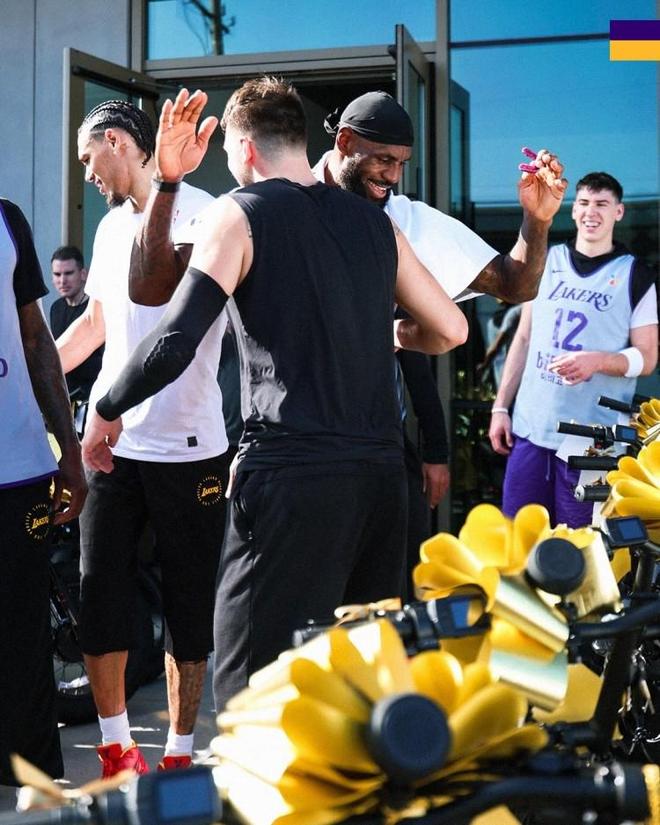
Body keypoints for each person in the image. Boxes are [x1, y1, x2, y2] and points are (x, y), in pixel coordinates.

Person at [78, 78, 468, 713]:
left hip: (291, 476)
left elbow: (174, 340)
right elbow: (451, 329)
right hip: (378, 484)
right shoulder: (376, 224)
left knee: (250, 695)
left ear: (245, 148)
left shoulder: (239, 212)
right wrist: (389, 332)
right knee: (360, 691)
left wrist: (105, 408)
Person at [55, 99, 230, 777]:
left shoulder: (209, 216)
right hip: (111, 448)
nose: (87, 173)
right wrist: (29, 377)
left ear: (116, 141)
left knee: (188, 607)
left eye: (88, 158)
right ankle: (116, 749)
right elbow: (94, 326)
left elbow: (178, 334)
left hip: (190, 447)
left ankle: (180, 754)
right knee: (99, 595)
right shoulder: (108, 230)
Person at [489, 172, 658, 527]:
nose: (591, 212)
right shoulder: (545, 260)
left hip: (593, 441)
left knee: (582, 546)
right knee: (520, 537)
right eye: (584, 203)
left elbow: (647, 358)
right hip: (532, 428)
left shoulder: (636, 275)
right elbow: (523, 338)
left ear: (618, 212)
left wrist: (598, 361)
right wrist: (501, 407)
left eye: (601, 204)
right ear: (574, 209)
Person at [314, 91, 567, 305]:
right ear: (345, 141)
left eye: (402, 163)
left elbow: (514, 285)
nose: (394, 176)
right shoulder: (292, 200)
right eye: (384, 159)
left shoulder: (409, 222)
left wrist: (537, 219)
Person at [0, 198, 86, 786]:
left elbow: (35, 341)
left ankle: (27, 777)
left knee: (24, 634)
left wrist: (70, 451)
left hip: (20, 464)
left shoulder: (7, 220)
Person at [49, 245, 103, 401]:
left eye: (68, 273)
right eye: (57, 274)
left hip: (91, 395)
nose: (62, 280)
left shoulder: (96, 308)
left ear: (83, 274)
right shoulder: (56, 308)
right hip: (64, 395)